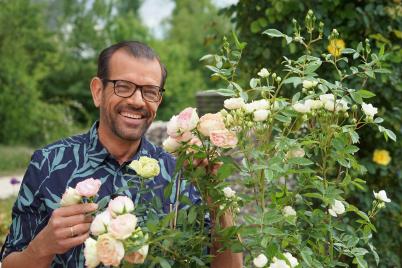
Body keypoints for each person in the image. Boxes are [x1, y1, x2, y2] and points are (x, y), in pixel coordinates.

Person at [0, 41, 242, 267]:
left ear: (158, 100)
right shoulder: (49, 163)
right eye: (123, 87)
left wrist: (217, 198)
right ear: (98, 91)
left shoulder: (181, 173)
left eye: (149, 91)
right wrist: (43, 247)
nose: (137, 101)